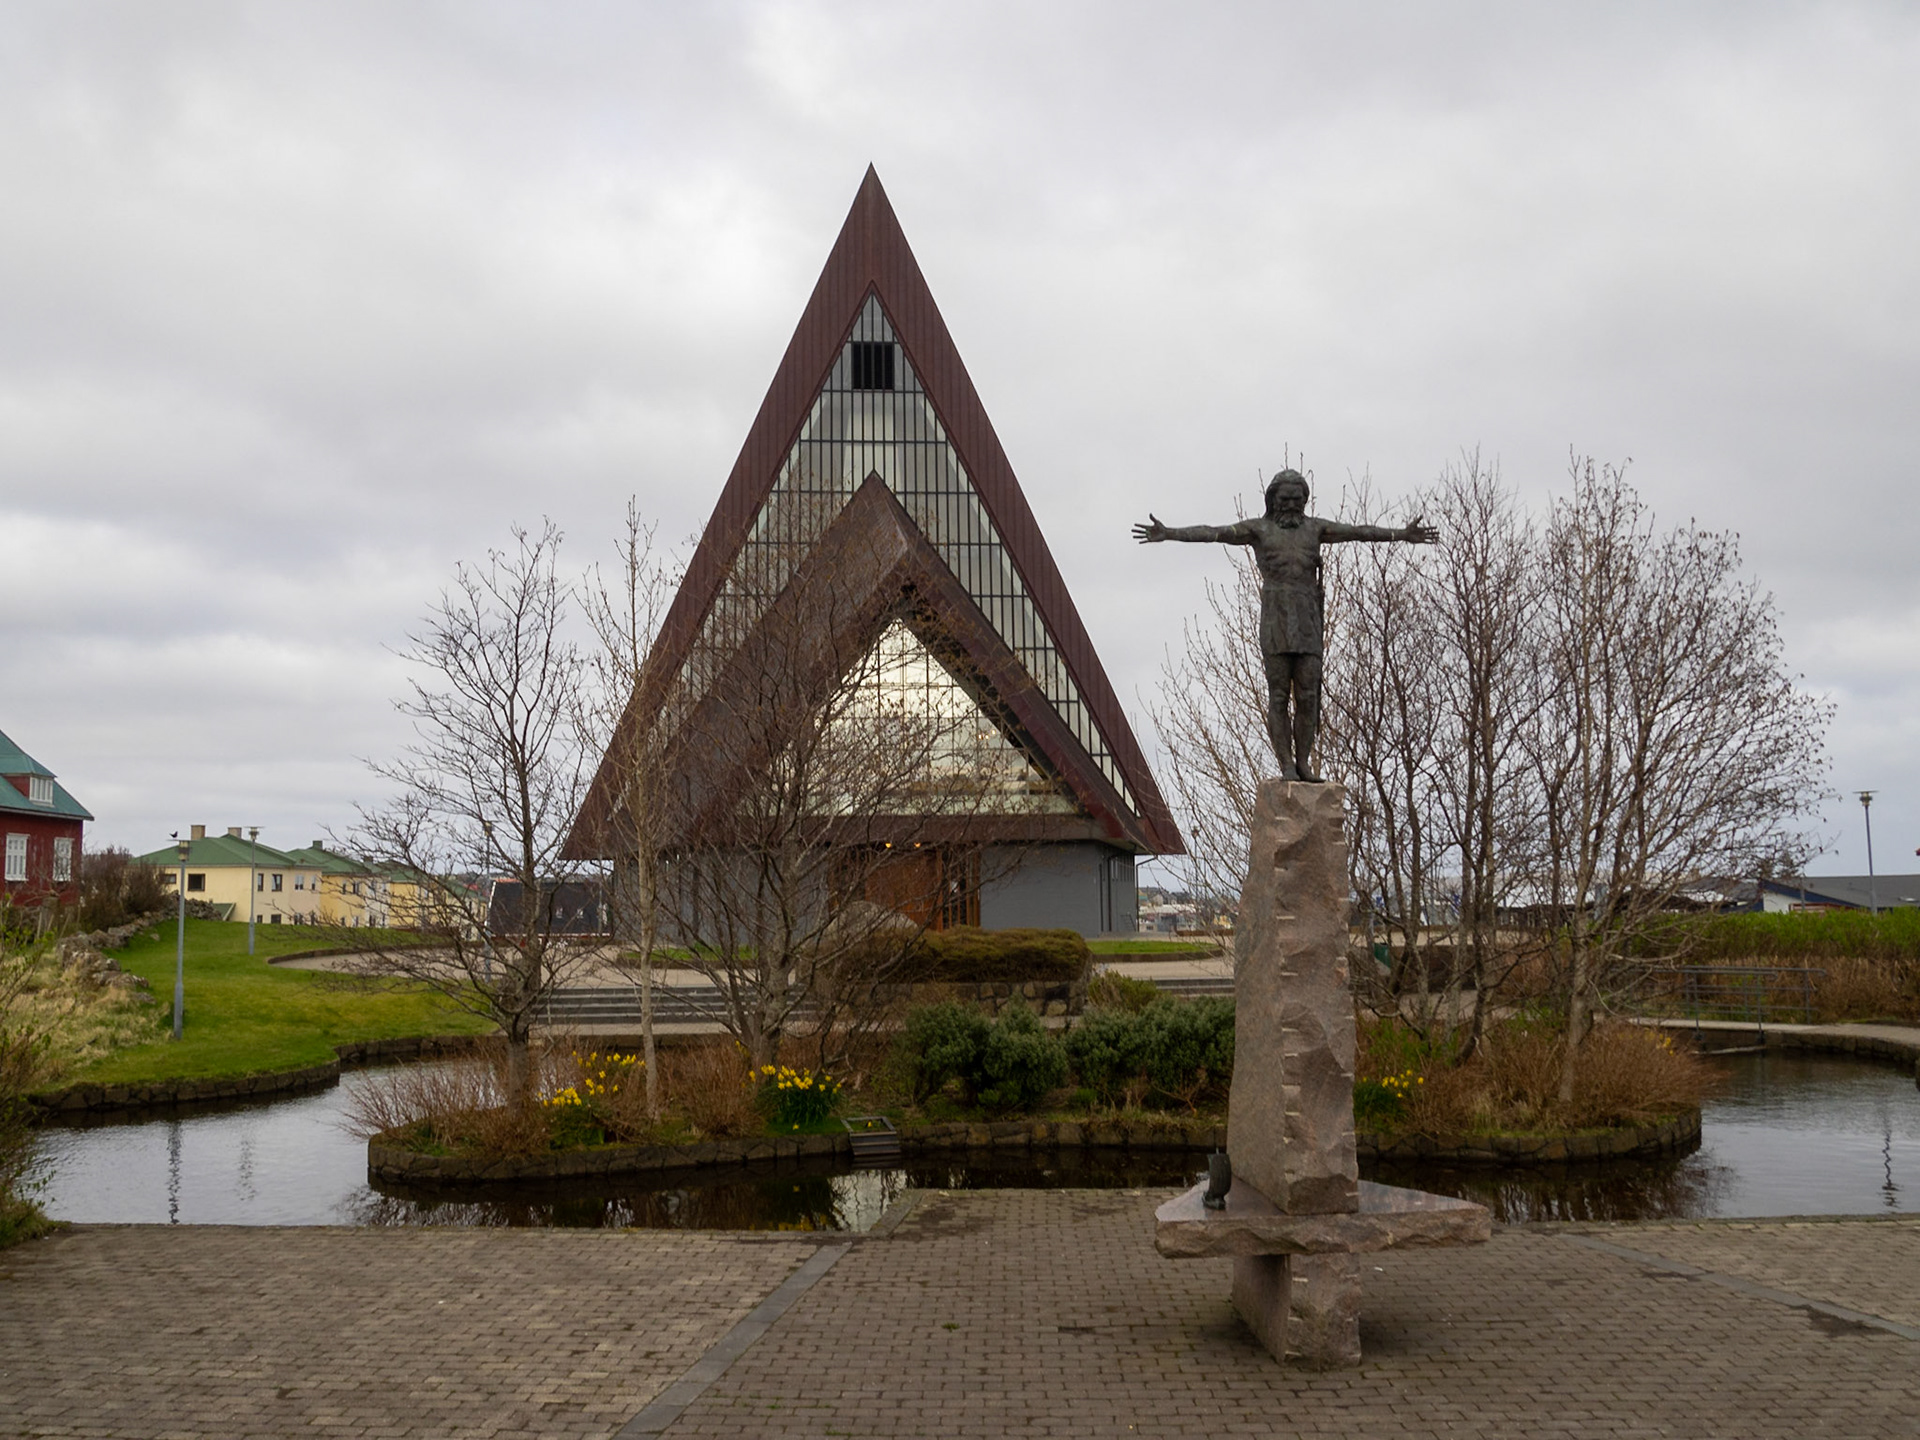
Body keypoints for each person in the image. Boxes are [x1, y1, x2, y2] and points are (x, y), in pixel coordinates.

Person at [1133, 469, 1437, 782]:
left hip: (1307, 618)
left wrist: (1400, 534)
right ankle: (1286, 765)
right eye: (1285, 498)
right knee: (1278, 695)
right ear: (1273, 499)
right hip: (1276, 615)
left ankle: (1303, 761)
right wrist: (1169, 532)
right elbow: (1214, 532)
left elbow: (1359, 531)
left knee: (1308, 695)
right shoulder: (1259, 529)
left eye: (1298, 498)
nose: (1292, 504)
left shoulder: (1315, 529)